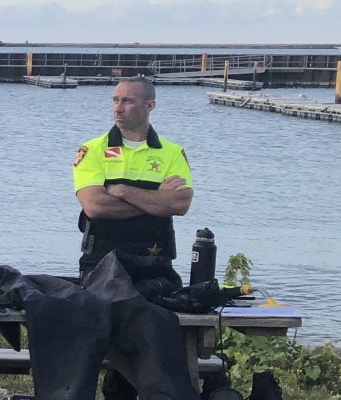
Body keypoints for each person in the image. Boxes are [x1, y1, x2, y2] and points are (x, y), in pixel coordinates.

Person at [72, 76, 194, 399]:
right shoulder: (93, 150)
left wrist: (123, 191)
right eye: (115, 100)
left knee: (157, 322)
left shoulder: (171, 153)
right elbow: (94, 206)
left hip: (155, 270)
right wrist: (154, 201)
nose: (118, 108)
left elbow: (180, 203)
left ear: (149, 106)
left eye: (127, 101)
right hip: (101, 269)